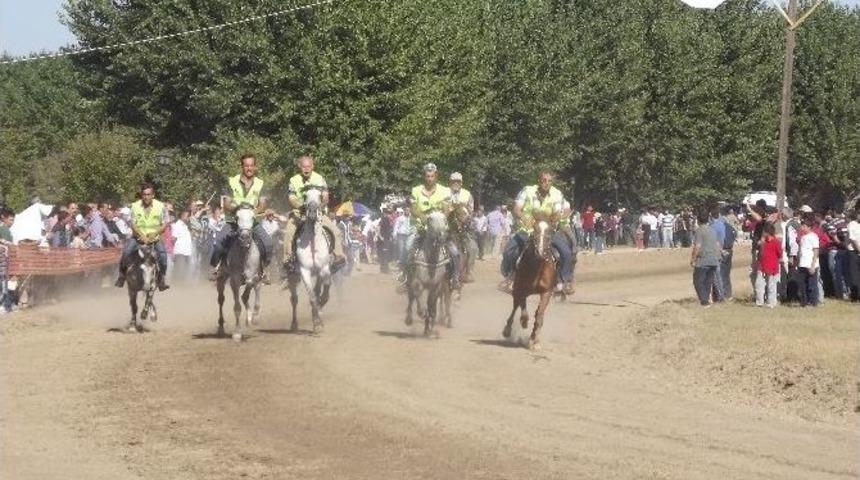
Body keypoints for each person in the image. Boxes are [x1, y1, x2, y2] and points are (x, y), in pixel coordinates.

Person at [499, 171, 573, 295]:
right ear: (538, 181)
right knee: (509, 251)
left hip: (548, 231)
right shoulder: (527, 191)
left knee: (566, 252)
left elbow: (565, 210)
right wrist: (523, 217)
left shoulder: (557, 194)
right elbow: (517, 208)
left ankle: (564, 282)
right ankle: (509, 278)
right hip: (528, 230)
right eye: (544, 180)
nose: (547, 183)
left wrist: (558, 216)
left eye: (549, 181)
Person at [209, 153, 275, 283]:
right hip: (233, 222)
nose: (249, 168)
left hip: (252, 222)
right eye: (246, 166)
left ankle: (263, 269)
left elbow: (263, 203)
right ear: (242, 167)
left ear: (255, 167)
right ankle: (216, 268)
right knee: (218, 245)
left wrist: (253, 212)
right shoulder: (231, 181)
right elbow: (227, 202)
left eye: (251, 165)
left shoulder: (261, 183)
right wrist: (238, 210)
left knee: (268, 243)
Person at [398, 163, 460, 288]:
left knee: (455, 252)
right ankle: (405, 275)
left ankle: (454, 278)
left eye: (432, 176)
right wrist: (424, 218)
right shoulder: (416, 190)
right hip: (421, 229)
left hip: (440, 229)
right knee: (408, 246)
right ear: (424, 176)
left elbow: (446, 209)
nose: (430, 178)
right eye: (427, 176)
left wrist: (438, 219)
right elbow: (414, 208)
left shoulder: (444, 191)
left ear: (436, 175)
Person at [282, 155, 346, 273]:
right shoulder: (293, 180)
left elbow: (326, 196)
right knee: (288, 233)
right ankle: (288, 259)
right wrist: (300, 206)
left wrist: (321, 204)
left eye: (308, 166)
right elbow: (291, 198)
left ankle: (338, 256)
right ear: (299, 167)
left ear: (312, 166)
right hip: (299, 212)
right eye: (303, 167)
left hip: (318, 212)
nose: (306, 169)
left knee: (336, 231)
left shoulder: (319, 178)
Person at [114, 182, 170, 291]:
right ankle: (121, 276)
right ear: (142, 195)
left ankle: (162, 279)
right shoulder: (135, 206)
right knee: (126, 252)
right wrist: (141, 235)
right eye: (144, 194)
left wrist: (155, 233)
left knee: (163, 256)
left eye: (148, 194)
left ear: (153, 195)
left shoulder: (161, 206)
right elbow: (133, 224)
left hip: (154, 238)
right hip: (138, 238)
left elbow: (165, 223)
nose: (146, 197)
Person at [690, 209, 722, 307]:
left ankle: (704, 301)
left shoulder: (699, 231)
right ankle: (707, 299)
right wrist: (719, 256)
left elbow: (698, 246)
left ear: (698, 220)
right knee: (708, 281)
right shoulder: (712, 230)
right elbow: (718, 245)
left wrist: (693, 259)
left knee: (698, 281)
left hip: (703, 260)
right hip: (714, 259)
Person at [755, 222, 782, 308]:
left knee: (771, 285)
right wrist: (761, 244)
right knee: (759, 284)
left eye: (764, 232)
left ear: (768, 232)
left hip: (772, 266)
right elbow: (760, 254)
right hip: (762, 266)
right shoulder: (763, 242)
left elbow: (779, 254)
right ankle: (759, 302)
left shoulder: (776, 242)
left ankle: (771, 302)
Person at [797, 217, 820, 307]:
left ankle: (813, 301)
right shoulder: (803, 237)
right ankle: (804, 302)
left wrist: (813, 265)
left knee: (812, 284)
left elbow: (816, 251)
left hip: (810, 264)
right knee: (803, 284)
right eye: (802, 226)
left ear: (809, 227)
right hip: (802, 263)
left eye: (804, 226)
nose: (802, 228)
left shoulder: (813, 237)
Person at [171, 210, 193, 283]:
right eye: (187, 216)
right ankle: (177, 287)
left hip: (186, 252)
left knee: (184, 272)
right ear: (182, 216)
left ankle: (183, 287)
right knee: (179, 272)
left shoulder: (185, 225)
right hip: (180, 252)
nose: (188, 218)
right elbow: (173, 238)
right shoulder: (177, 225)